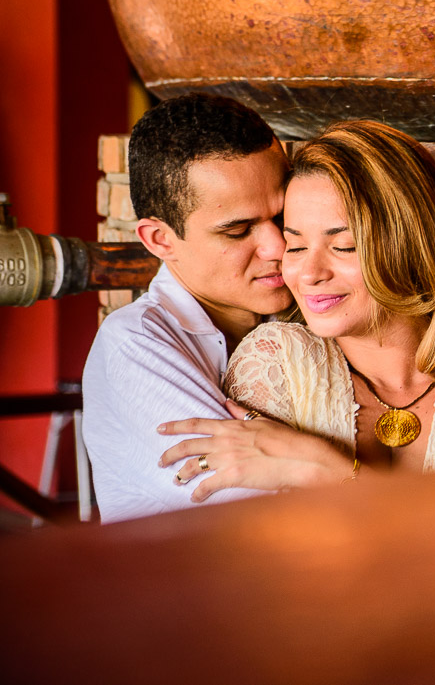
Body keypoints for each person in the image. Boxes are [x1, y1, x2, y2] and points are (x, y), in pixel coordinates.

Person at [157, 121, 435, 498]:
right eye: (295, 246)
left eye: (344, 246)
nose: (309, 273)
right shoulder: (275, 359)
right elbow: (262, 543)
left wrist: (326, 469)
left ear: (412, 246)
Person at [82, 93, 322, 522]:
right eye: (238, 230)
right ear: (161, 240)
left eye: (281, 217)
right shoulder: (134, 342)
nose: (277, 246)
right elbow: (259, 514)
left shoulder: (312, 308)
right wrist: (330, 467)